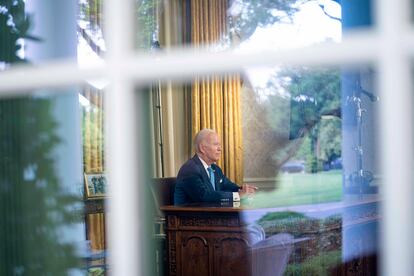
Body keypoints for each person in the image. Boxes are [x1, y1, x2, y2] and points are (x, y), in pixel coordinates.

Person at [174, 128, 257, 205]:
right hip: (189, 218)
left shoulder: (215, 169)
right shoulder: (190, 169)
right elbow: (204, 196)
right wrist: (238, 195)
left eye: (220, 145)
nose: (220, 149)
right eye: (216, 144)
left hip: (211, 216)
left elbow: (228, 186)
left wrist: (242, 190)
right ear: (202, 148)